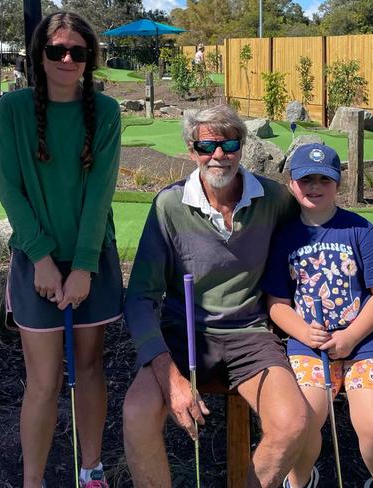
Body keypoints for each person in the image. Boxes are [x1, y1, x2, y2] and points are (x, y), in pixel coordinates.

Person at [123, 104, 311, 488]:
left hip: (252, 334)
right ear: (192, 151)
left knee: (292, 423)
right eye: (207, 146)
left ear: (242, 146)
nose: (218, 155)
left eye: (229, 143)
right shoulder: (169, 206)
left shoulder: (274, 199)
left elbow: (316, 233)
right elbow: (140, 298)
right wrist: (170, 377)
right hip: (184, 333)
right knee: (136, 414)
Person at [0, 11, 122, 488]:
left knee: (89, 367)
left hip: (90, 258)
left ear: (89, 59)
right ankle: (34, 479)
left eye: (78, 52)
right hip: (36, 260)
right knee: (44, 380)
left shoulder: (106, 113)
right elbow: (10, 187)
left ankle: (92, 471)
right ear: (39, 55)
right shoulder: (13, 109)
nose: (67, 59)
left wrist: (83, 267)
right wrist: (42, 260)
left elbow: (100, 194)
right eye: (56, 50)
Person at [263, 143, 373, 488]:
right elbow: (277, 302)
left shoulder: (359, 229)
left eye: (324, 179)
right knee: (304, 420)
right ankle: (302, 480)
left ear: (338, 184)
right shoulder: (284, 236)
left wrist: (352, 336)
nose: (315, 186)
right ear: (292, 183)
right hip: (310, 344)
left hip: (367, 342)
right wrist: (304, 333)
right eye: (306, 178)